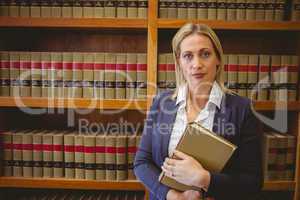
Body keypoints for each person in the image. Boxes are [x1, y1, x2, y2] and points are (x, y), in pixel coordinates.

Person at [134, 23, 262, 200]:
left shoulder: (243, 109)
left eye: (205, 54)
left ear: (218, 59)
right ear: (178, 62)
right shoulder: (161, 103)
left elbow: (253, 182)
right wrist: (173, 196)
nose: (197, 64)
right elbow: (142, 163)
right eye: (188, 56)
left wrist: (204, 178)